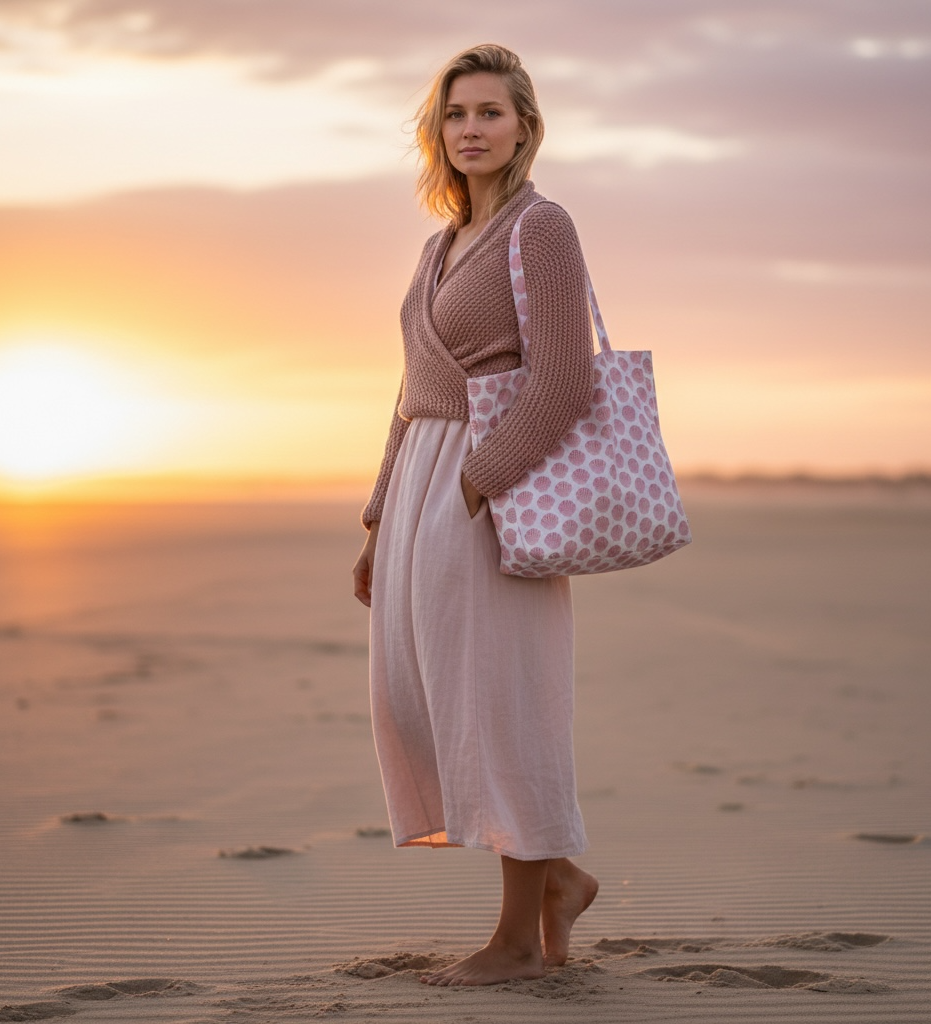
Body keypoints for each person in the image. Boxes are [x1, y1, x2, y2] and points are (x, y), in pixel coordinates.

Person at [352, 43, 599, 987]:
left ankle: (516, 942)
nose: (470, 130)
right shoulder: (436, 244)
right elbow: (411, 391)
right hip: (424, 481)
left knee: (504, 703)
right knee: (428, 697)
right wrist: (383, 517)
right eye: (456, 115)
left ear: (525, 127)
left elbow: (566, 377)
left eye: (490, 113)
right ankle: (560, 880)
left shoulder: (544, 227)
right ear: (437, 130)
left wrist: (477, 484)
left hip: (490, 486)